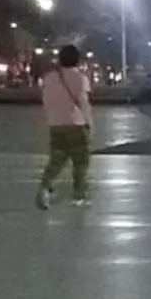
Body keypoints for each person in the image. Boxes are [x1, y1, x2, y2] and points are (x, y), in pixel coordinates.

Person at [35, 45, 94, 209]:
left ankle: (44, 188)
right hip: (75, 125)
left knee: (55, 161)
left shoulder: (48, 78)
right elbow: (84, 103)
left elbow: (46, 101)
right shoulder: (79, 78)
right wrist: (89, 124)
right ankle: (79, 196)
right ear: (77, 59)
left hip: (55, 125)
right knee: (80, 162)